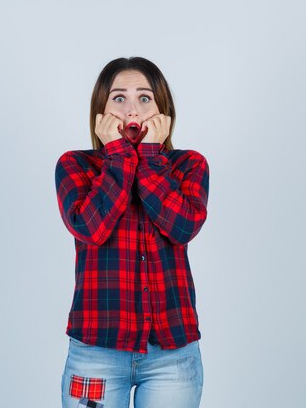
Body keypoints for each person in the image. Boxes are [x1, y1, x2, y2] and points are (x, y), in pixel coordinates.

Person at [55, 57, 210, 408]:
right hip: (96, 353)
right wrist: (119, 156)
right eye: (118, 98)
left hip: (172, 355)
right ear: (101, 110)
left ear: (162, 109)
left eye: (144, 98)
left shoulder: (189, 165)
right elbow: (91, 229)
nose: (131, 111)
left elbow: (182, 226)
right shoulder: (74, 165)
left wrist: (151, 155)